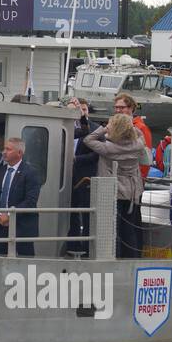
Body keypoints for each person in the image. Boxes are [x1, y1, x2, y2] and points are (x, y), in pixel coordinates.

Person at [82, 113, 152, 258]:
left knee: (113, 230)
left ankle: (114, 257)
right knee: (129, 229)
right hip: (132, 192)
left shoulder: (107, 148)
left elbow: (88, 139)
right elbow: (140, 135)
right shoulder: (138, 145)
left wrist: (103, 128)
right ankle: (131, 259)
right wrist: (132, 128)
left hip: (112, 191)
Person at [0, 136, 43, 256]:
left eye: (8, 149)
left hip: (21, 227)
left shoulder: (30, 173)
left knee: (23, 265)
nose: (4, 152)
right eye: (4, 149)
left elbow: (30, 200)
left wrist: (9, 216)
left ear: (19, 153)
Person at [67, 97, 99, 244]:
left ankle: (86, 246)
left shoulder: (94, 129)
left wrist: (76, 159)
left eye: (83, 110)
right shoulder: (65, 127)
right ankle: (72, 243)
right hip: (64, 178)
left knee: (86, 213)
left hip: (85, 177)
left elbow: (96, 154)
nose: (79, 112)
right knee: (70, 212)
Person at [114, 93, 154, 181]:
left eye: (122, 107)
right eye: (116, 107)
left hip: (133, 178)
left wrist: (140, 179)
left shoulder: (141, 128)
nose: (118, 110)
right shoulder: (113, 127)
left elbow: (145, 157)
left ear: (131, 108)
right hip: (116, 175)